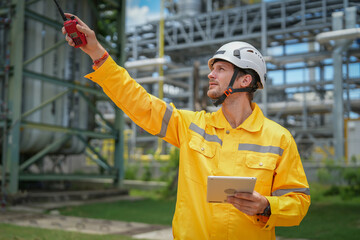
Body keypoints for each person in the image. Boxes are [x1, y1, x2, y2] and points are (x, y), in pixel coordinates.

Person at [63, 13, 310, 240]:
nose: (211, 74)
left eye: (221, 69)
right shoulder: (190, 125)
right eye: (212, 68)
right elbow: (139, 103)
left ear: (246, 80)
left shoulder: (279, 138)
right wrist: (97, 52)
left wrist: (266, 206)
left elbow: (299, 202)